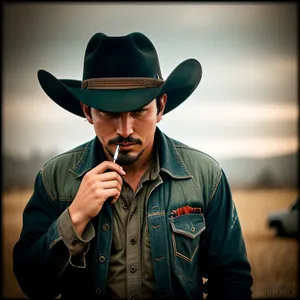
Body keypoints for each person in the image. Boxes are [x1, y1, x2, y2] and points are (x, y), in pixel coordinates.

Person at [13, 32, 253, 300]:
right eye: (110, 112)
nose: (125, 130)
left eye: (139, 111)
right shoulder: (54, 179)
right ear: (86, 111)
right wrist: (76, 216)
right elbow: (32, 284)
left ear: (160, 107)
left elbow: (233, 280)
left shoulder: (205, 176)